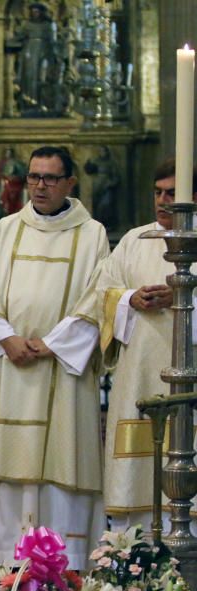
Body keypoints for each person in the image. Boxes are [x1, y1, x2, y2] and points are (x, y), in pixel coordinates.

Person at [0, 146, 109, 570]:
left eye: (49, 178)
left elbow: (96, 296)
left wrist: (53, 343)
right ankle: (6, 561)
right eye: (33, 177)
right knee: (9, 463)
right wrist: (7, 338)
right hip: (10, 367)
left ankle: (64, 559)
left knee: (59, 463)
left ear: (70, 182)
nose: (40, 186)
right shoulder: (5, 231)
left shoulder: (92, 234)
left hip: (62, 370)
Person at [94, 158, 190, 532]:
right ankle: (131, 540)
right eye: (158, 193)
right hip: (138, 373)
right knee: (138, 457)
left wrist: (182, 297)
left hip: (187, 370)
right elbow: (102, 291)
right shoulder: (134, 240)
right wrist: (129, 299)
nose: (163, 201)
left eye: (172, 194)